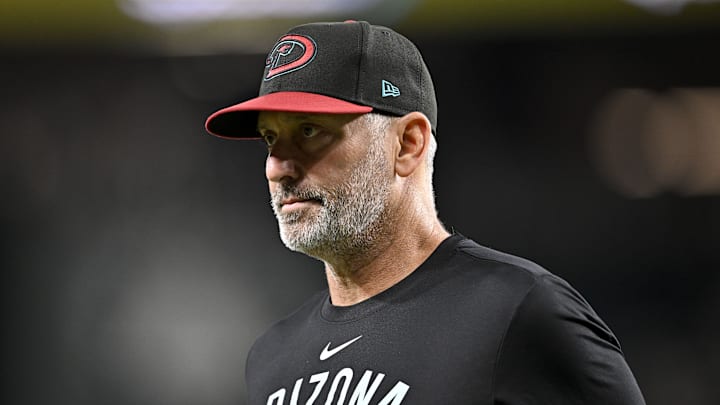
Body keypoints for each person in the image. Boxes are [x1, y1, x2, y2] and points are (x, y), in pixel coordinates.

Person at [205, 20, 645, 405]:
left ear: (407, 143)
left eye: (308, 131)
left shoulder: (518, 314)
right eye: (269, 138)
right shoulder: (272, 359)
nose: (277, 166)